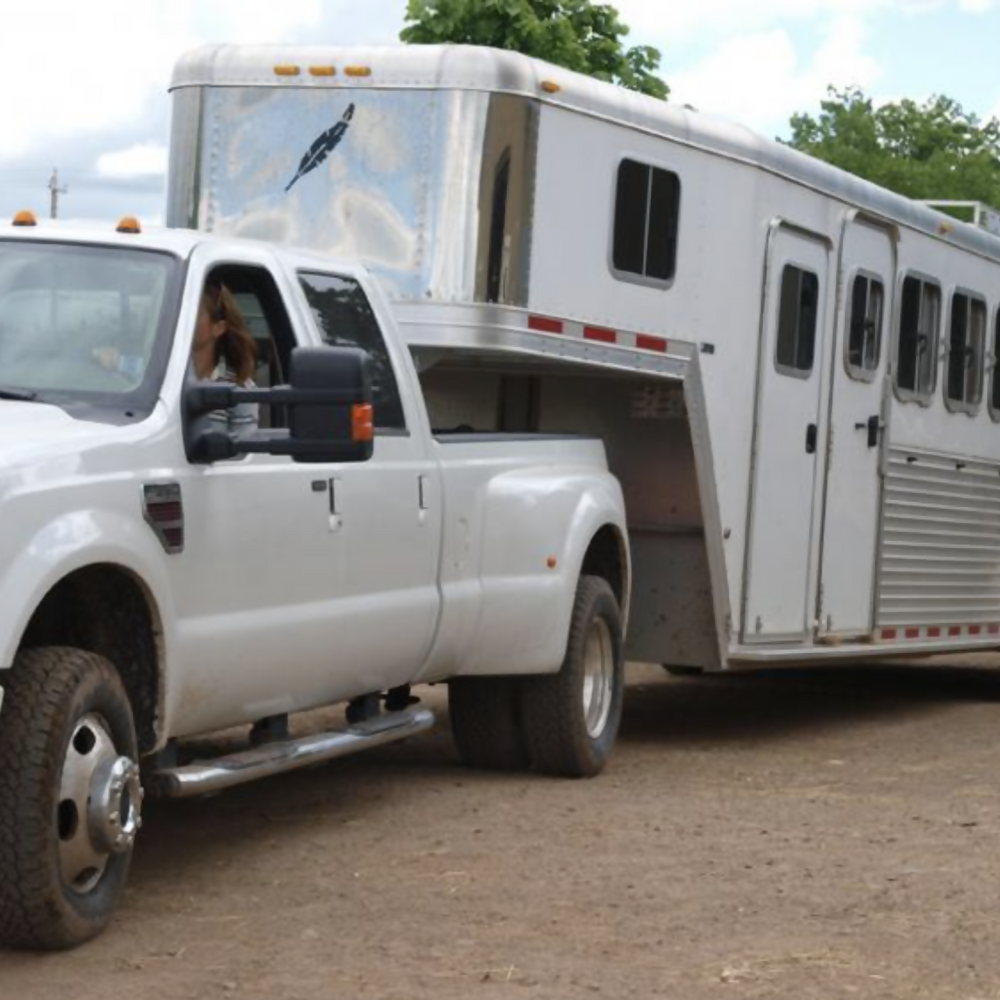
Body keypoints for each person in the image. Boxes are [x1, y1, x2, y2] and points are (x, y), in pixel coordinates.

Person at [193, 282, 259, 432]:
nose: (183, 319)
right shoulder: (159, 379)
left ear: (218, 328)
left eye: (194, 313)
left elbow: (244, 451)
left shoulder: (239, 388)